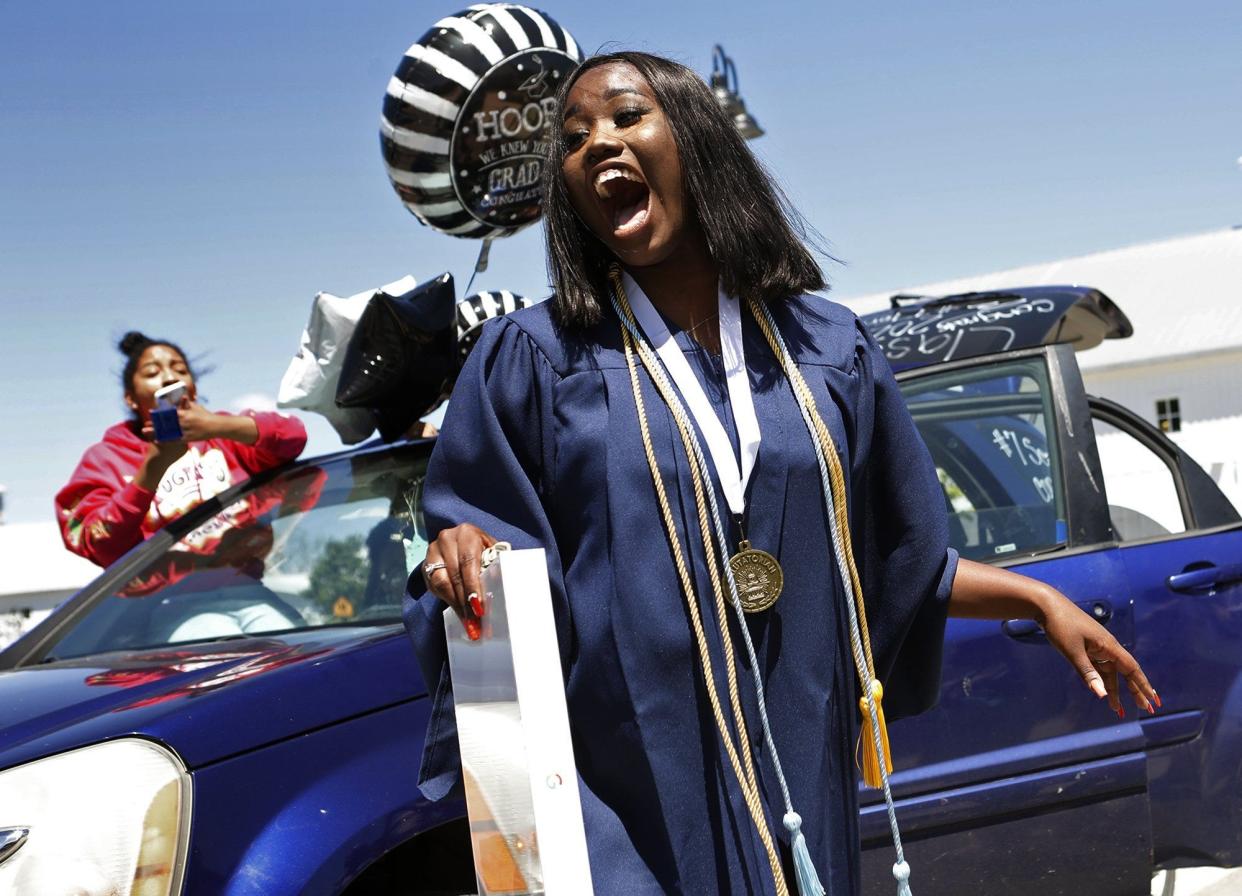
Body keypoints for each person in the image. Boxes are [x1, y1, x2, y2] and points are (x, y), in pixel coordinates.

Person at [405, 52, 1158, 895]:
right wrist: (461, 555)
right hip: (625, 793)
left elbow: (886, 561)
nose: (595, 146)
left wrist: (1037, 597)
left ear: (694, 139)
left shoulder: (827, 349)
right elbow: (485, 548)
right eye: (573, 139)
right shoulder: (538, 362)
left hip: (798, 758)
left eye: (625, 118)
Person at [56, 331, 308, 569]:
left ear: (193, 388)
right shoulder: (104, 459)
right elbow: (100, 543)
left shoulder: (225, 435)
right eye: (152, 372)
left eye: (179, 370)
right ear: (130, 398)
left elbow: (293, 437)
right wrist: (151, 471)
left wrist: (218, 425)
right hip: (169, 603)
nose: (169, 378)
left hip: (247, 582)